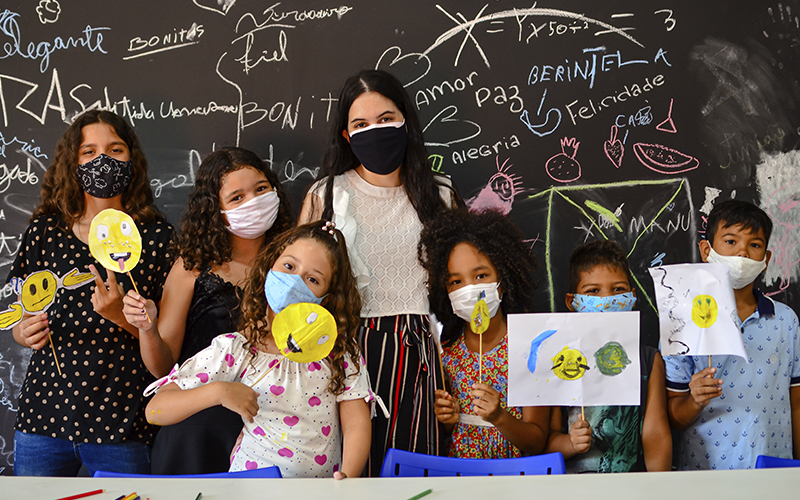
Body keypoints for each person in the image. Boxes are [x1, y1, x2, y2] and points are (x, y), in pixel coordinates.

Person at [299, 69, 463, 474]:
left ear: (406, 119)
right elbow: (298, 284)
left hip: (422, 350)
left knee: (415, 469)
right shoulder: (327, 195)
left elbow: (460, 284)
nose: (375, 130)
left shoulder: (440, 194)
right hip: (346, 349)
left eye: (386, 118)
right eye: (360, 124)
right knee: (349, 470)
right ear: (346, 135)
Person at [10, 110, 173, 476]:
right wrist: (23, 331)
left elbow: (165, 356)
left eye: (115, 150)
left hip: (123, 421)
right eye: (89, 152)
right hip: (44, 416)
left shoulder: (158, 239)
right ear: (73, 162)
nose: (102, 160)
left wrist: (121, 316)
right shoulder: (45, 232)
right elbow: (21, 307)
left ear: (132, 159)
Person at [144, 221, 376, 478]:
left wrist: (349, 476)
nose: (294, 282)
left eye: (313, 279)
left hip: (320, 492)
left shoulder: (338, 351)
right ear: (268, 270)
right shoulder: (239, 348)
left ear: (327, 298)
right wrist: (218, 392)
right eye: (288, 266)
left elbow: (356, 421)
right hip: (249, 487)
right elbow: (156, 410)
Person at [121, 147, 292, 474]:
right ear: (217, 211)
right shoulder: (191, 269)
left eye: (260, 189)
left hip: (272, 427)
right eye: (237, 197)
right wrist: (148, 328)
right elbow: (163, 367)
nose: (253, 202)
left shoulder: (293, 267)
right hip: (196, 432)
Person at [665, 200, 800, 469]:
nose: (742, 253)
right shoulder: (680, 321)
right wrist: (694, 401)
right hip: (705, 472)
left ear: (766, 260)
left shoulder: (785, 320)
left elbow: (797, 404)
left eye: (755, 245)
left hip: (773, 467)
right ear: (707, 250)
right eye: (730, 241)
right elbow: (673, 417)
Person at [418, 209, 549, 458]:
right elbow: (449, 430)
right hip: (460, 478)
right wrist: (448, 417)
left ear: (502, 281)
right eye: (456, 282)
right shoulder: (445, 351)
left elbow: (537, 442)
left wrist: (499, 416)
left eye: (481, 276)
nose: (470, 289)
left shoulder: (530, 348)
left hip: (514, 478)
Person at [545, 240, 671, 473]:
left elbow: (655, 435)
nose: (606, 300)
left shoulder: (647, 360)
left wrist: (659, 488)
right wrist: (570, 443)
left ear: (632, 297)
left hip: (633, 487)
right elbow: (545, 441)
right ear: (572, 302)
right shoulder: (559, 361)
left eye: (618, 290)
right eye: (593, 291)